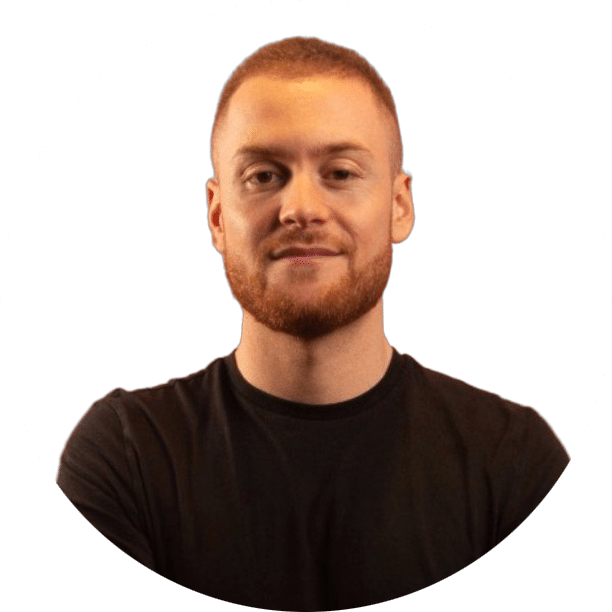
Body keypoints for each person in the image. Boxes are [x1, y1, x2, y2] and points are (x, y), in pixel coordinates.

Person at [57, 37, 569, 610]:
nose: (301, 207)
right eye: (264, 176)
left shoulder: (514, 464)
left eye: (341, 172)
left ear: (399, 207)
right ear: (218, 215)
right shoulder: (125, 458)